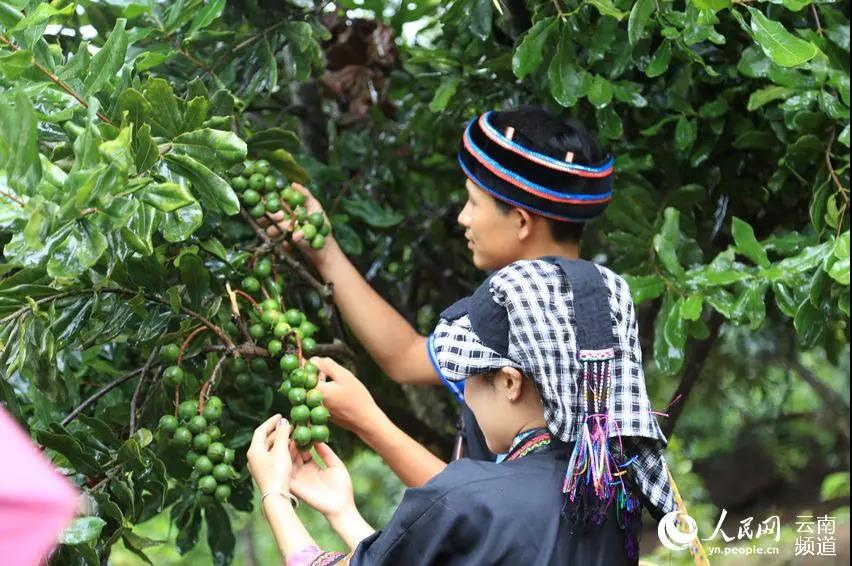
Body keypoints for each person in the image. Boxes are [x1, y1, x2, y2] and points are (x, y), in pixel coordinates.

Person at [263, 106, 672, 501]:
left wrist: (368, 421)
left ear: (521, 221)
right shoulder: (602, 305)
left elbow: (491, 509)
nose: (463, 217)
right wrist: (322, 251)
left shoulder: (519, 331)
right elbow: (405, 356)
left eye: (473, 202)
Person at [248, 257, 667, 565]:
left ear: (510, 382)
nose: (465, 392)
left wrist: (276, 496)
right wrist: (342, 510)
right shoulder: (616, 498)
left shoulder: (470, 497)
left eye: (467, 374)